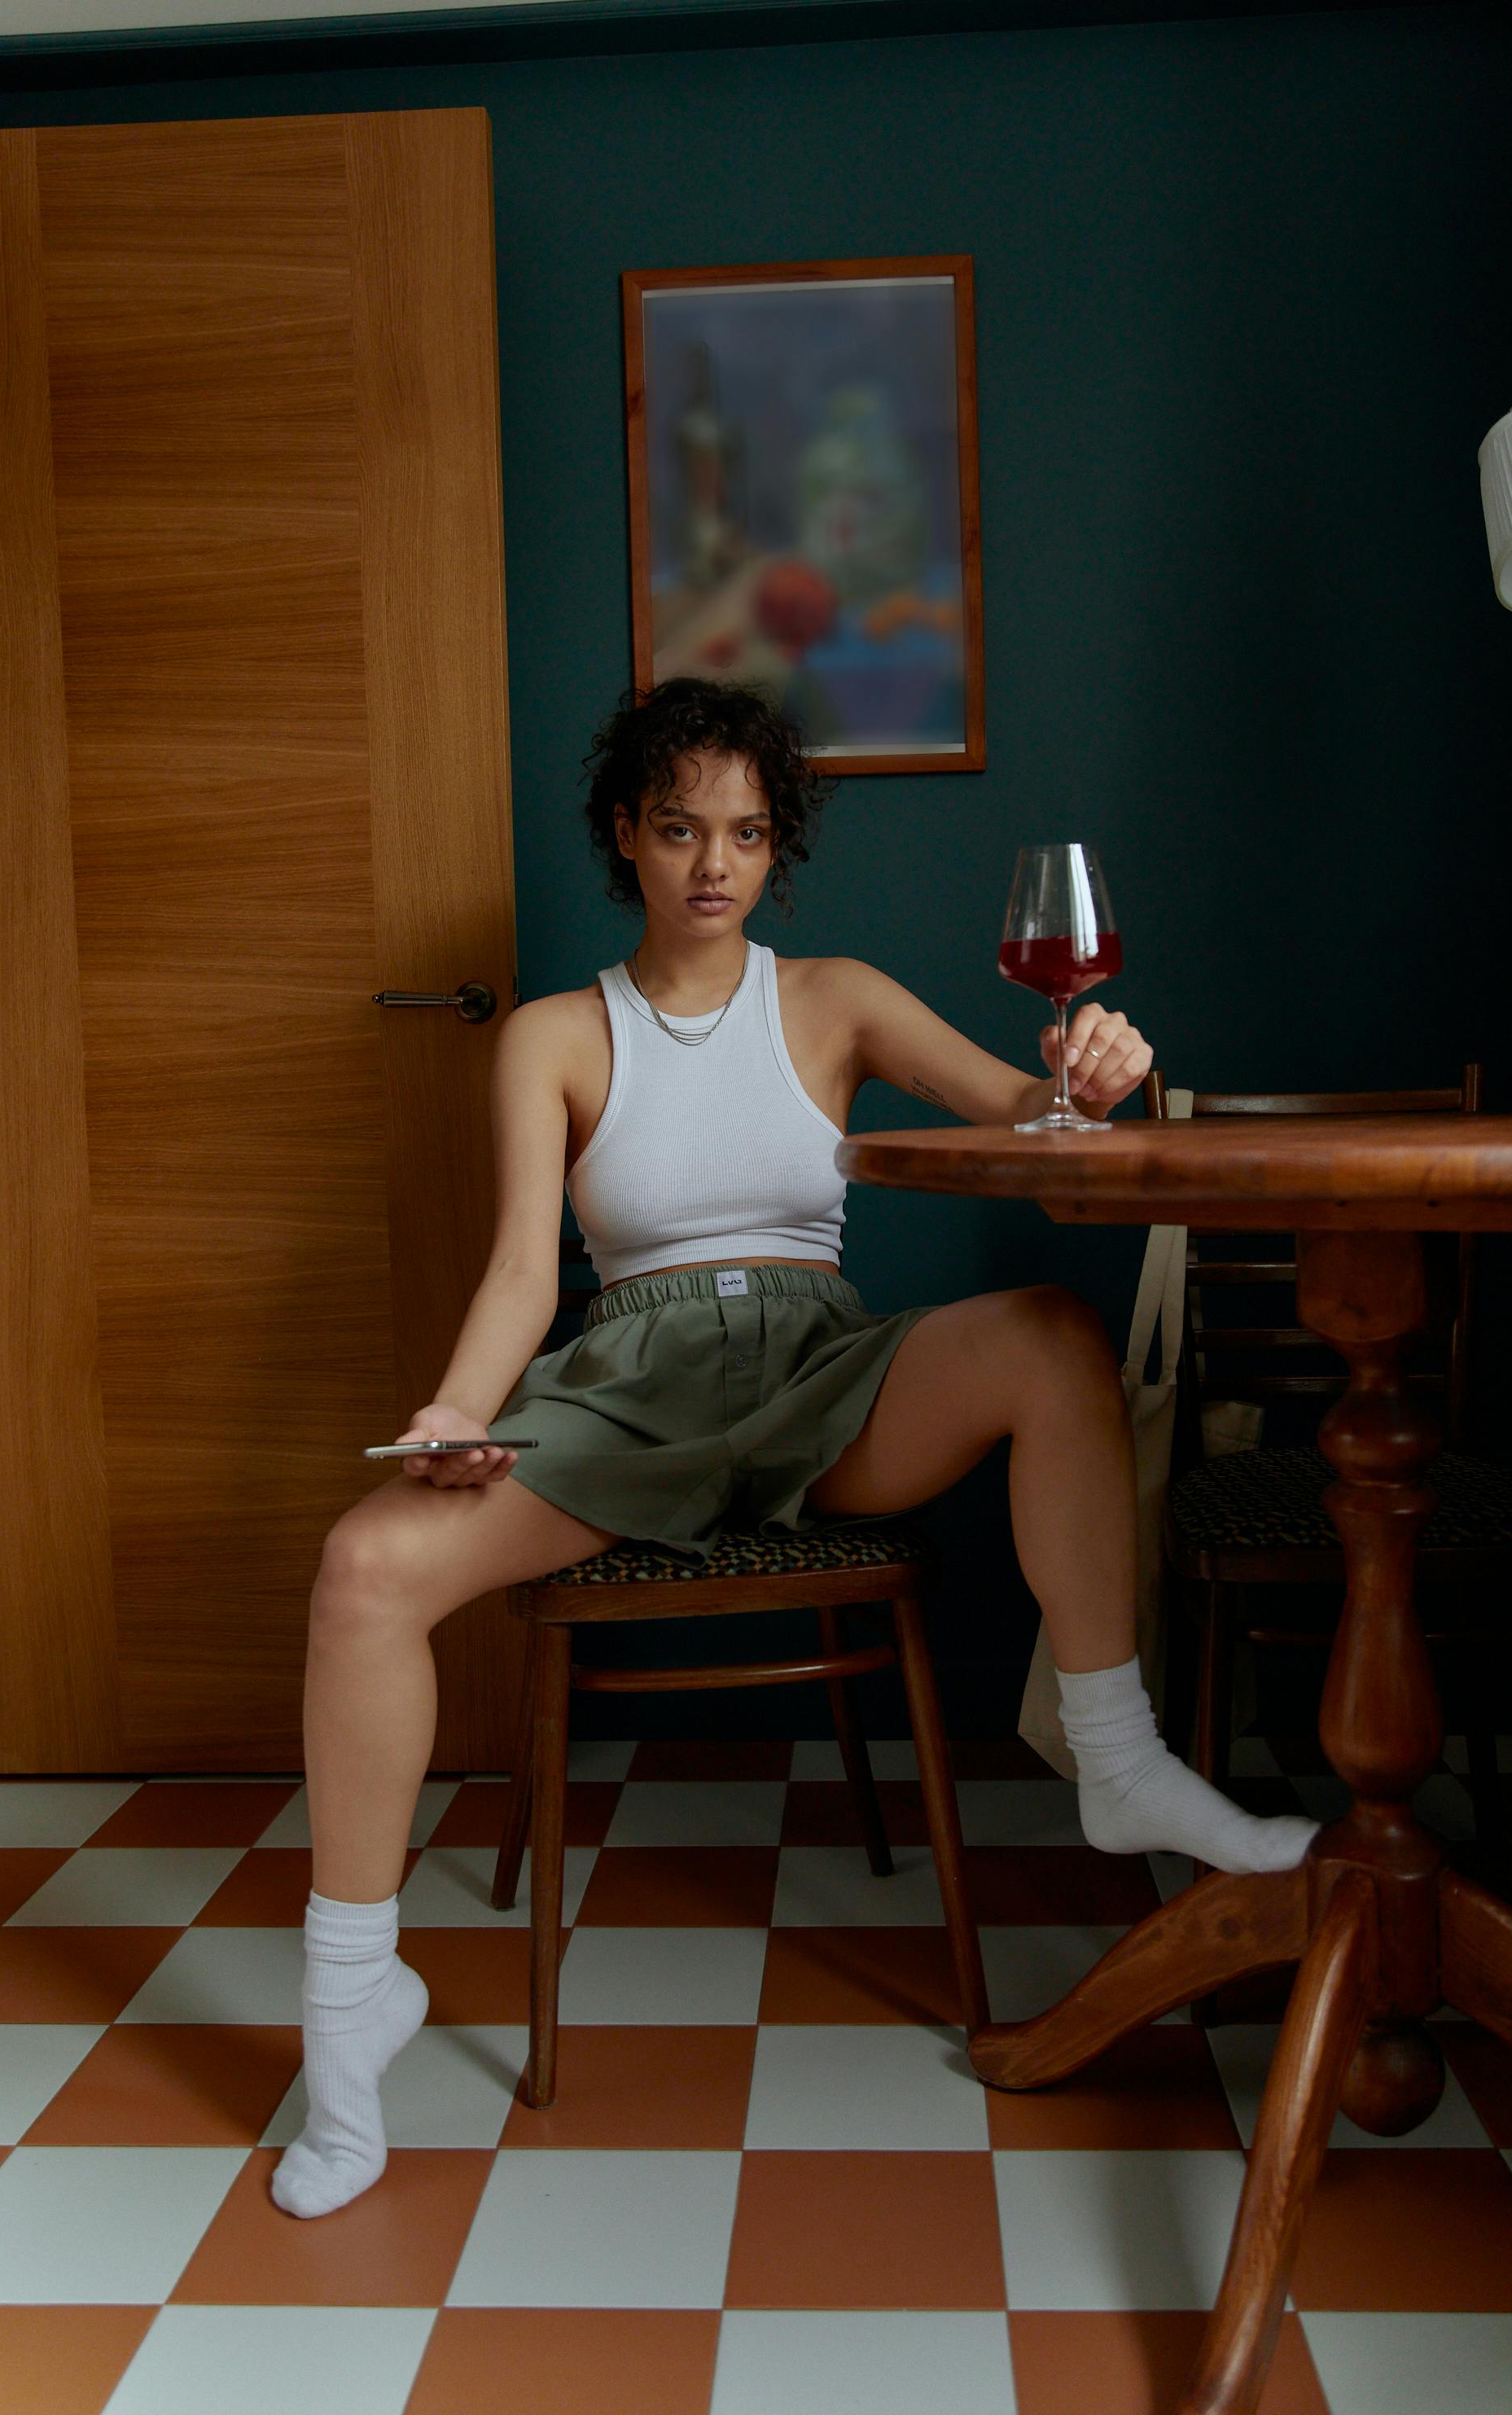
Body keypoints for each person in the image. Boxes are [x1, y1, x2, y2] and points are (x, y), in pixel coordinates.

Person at [270, 676, 1315, 2220]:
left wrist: (1099, 1077)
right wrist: (456, 1413)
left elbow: (1029, 1119)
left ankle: (1116, 1761)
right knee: (365, 1567)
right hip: (632, 1386)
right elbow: (518, 1272)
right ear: (625, 831)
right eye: (681, 825)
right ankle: (352, 2012)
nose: (713, 860)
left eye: (747, 833)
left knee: (1047, 1337)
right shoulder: (554, 1036)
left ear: (776, 851)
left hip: (824, 1375)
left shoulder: (837, 996)